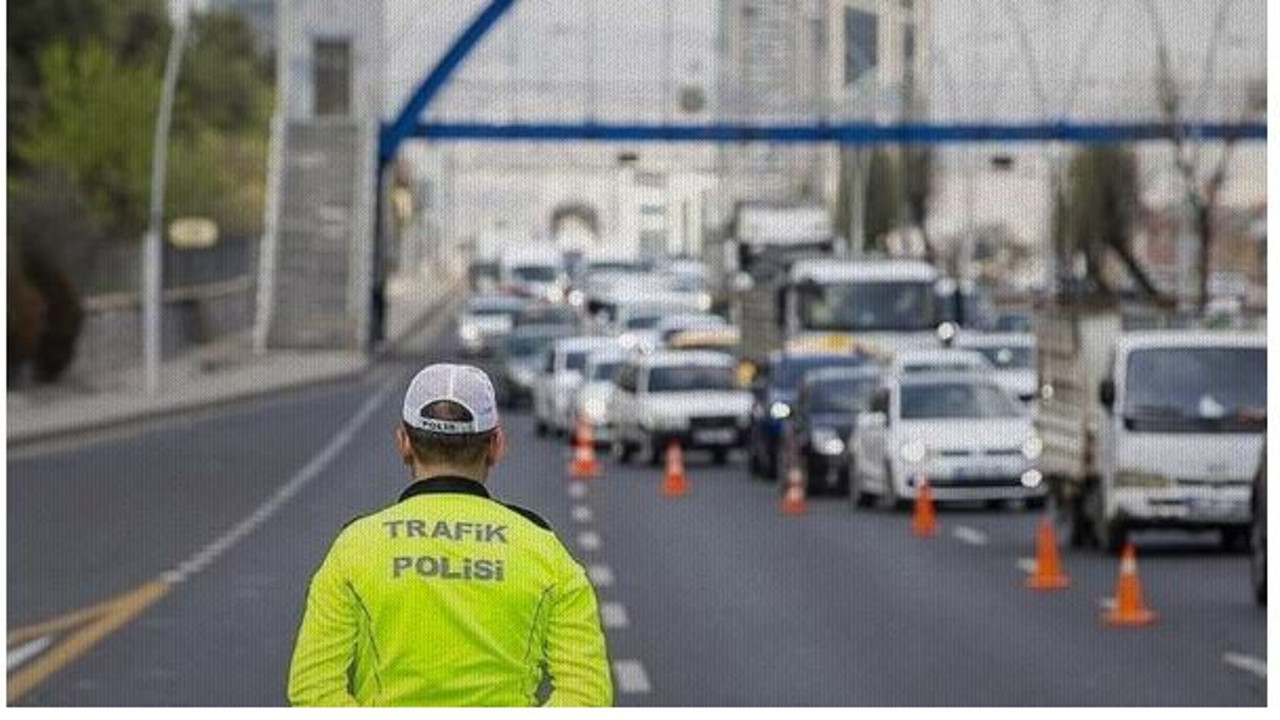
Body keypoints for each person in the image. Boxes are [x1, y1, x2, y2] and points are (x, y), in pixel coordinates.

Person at [288, 363, 613, 706]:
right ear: (496, 445)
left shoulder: (355, 547)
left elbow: (312, 687)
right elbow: (587, 694)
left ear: (404, 443)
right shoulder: (544, 551)